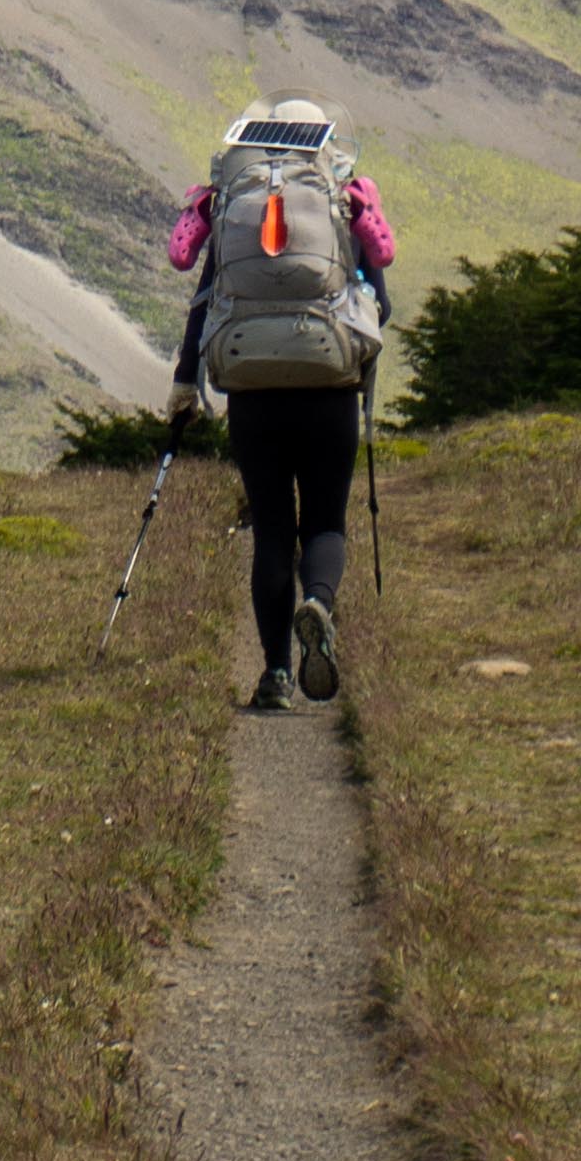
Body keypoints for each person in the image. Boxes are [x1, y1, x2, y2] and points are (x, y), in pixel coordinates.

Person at [165, 95, 391, 713]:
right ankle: (317, 600)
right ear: (321, 137)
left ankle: (275, 677)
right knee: (324, 520)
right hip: (328, 386)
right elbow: (384, 306)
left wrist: (186, 385)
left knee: (271, 529)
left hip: (253, 391)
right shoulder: (341, 197)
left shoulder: (239, 203)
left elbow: (204, 303)